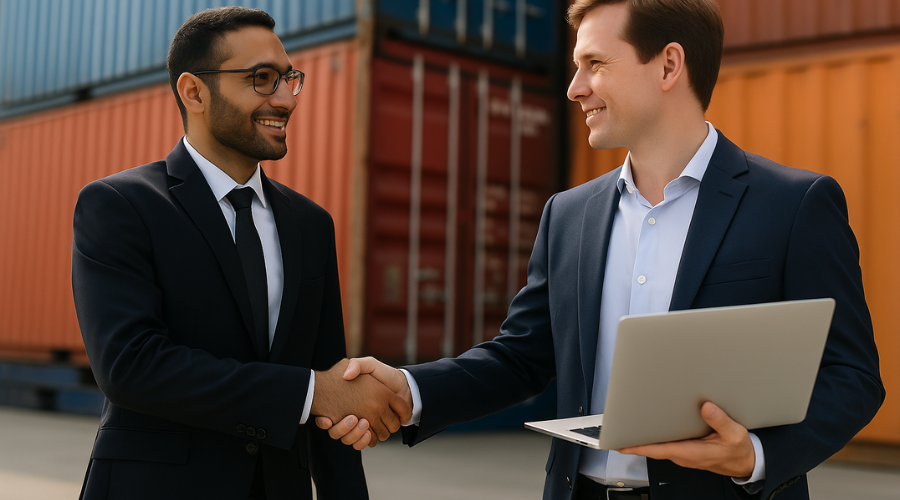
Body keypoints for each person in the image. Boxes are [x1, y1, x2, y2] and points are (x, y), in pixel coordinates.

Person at [316, 1, 884, 499]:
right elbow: (522, 357)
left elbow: (853, 376)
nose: (574, 88)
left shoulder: (794, 204)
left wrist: (756, 456)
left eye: (595, 64)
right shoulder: (569, 214)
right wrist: (411, 389)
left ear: (668, 65)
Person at [72, 7, 409, 500]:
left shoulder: (311, 225)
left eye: (289, 78)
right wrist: (312, 391)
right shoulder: (121, 205)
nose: (285, 99)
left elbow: (334, 387)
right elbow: (130, 367)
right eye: (262, 79)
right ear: (194, 92)